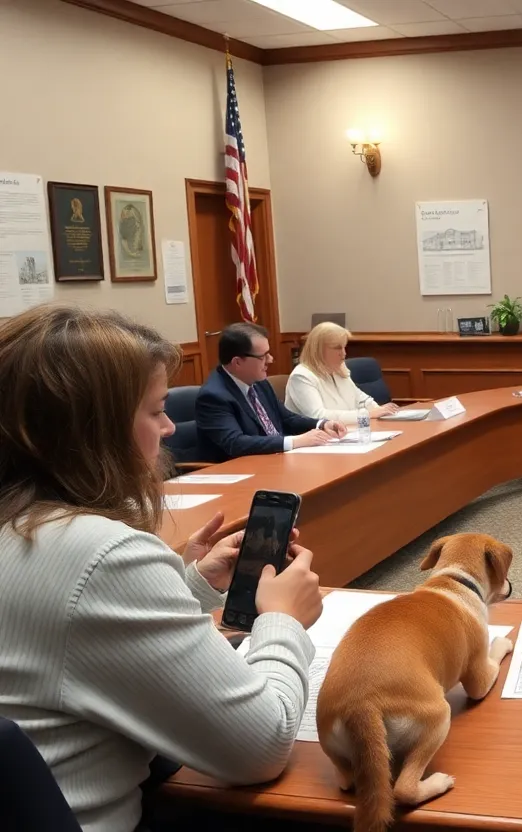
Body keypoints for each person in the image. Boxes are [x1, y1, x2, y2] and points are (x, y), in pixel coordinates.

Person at [0, 304, 325, 832]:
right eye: (156, 412)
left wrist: (190, 585)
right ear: (91, 433)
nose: (171, 428)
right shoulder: (100, 554)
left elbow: (65, 634)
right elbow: (260, 746)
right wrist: (282, 620)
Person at [196, 322, 346, 463]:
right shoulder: (213, 397)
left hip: (277, 460)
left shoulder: (259, 382)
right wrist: (295, 441)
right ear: (238, 362)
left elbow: (287, 418)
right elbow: (236, 443)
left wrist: (321, 424)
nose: (271, 359)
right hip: (243, 469)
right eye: (263, 356)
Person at [285, 321, 399, 423]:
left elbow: (359, 399)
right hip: (317, 437)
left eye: (344, 347)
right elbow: (318, 416)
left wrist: (379, 410)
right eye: (337, 348)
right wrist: (366, 415)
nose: (344, 353)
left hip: (347, 432)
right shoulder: (301, 377)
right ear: (318, 349)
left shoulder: (338, 368)